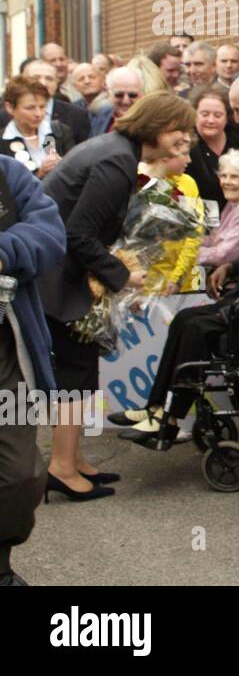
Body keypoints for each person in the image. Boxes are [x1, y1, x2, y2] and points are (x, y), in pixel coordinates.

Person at [38, 92, 195, 502]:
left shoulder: (115, 151)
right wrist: (122, 273)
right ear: (159, 129)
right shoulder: (115, 161)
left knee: (83, 371)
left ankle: (73, 459)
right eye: (180, 131)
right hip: (59, 277)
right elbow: (77, 233)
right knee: (74, 374)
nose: (184, 139)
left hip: (62, 273)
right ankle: (61, 467)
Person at [115, 161, 239, 444]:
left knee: (196, 328)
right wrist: (231, 267)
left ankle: (170, 417)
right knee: (184, 319)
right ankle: (155, 407)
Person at [0, 153, 67, 587]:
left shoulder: (7, 173)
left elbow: (49, 232)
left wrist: (4, 253)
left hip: (6, 347)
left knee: (20, 473)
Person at [138, 148, 204, 297]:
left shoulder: (189, 183)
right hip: (145, 282)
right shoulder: (138, 181)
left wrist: (177, 277)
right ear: (164, 156)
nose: (190, 160)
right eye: (183, 154)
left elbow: (195, 236)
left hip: (186, 279)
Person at [188, 84, 239, 213]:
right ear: (194, 116)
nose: (211, 120)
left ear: (227, 118)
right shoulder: (188, 146)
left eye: (217, 115)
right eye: (204, 114)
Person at [197, 151, 239, 270]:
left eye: (234, 177)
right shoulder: (235, 201)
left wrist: (188, 253)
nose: (226, 182)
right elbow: (214, 239)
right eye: (223, 176)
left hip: (236, 280)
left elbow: (225, 255)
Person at [2, 76, 73, 178]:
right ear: (10, 108)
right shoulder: (2, 141)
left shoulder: (60, 132)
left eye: (42, 106)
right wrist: (40, 174)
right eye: (30, 108)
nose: (38, 113)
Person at [19, 59, 91, 146]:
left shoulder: (77, 115)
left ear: (57, 83)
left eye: (49, 79)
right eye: (36, 78)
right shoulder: (7, 116)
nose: (43, 83)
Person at [93, 67, 144, 136]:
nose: (126, 101)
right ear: (109, 93)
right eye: (119, 95)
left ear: (142, 95)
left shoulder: (149, 123)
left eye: (132, 95)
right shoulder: (103, 114)